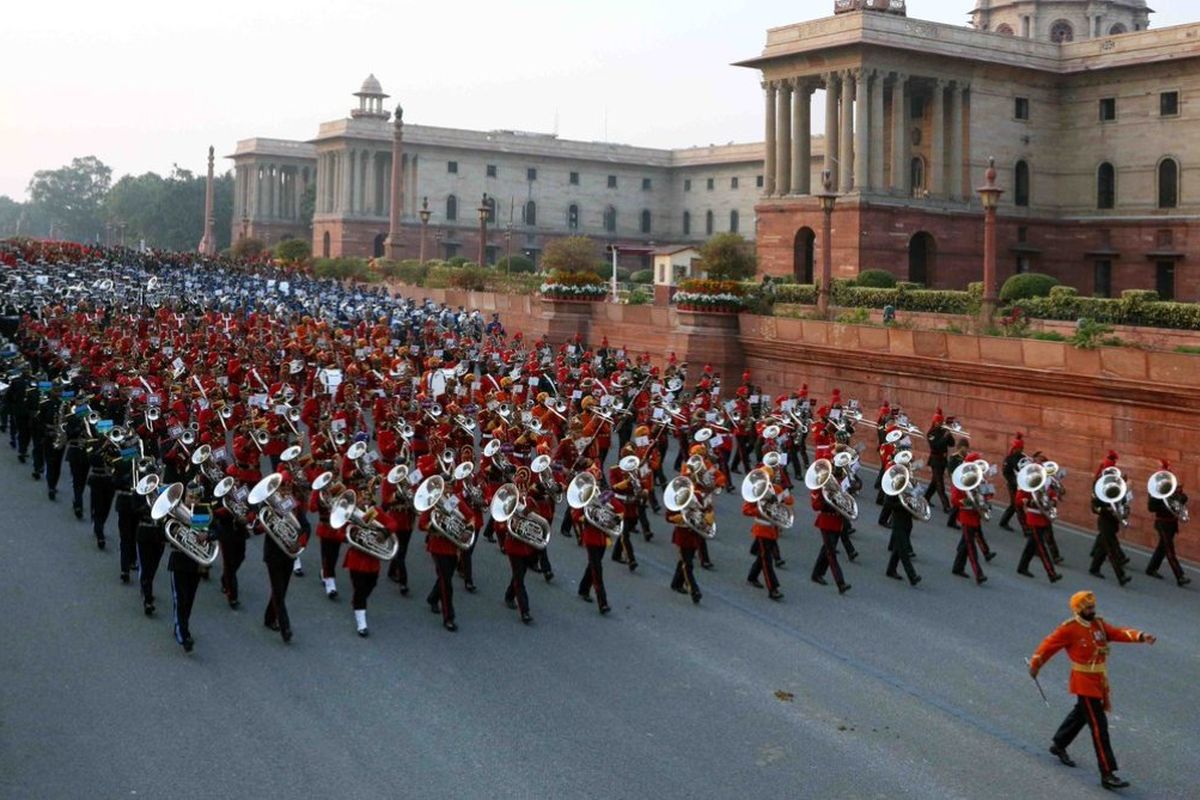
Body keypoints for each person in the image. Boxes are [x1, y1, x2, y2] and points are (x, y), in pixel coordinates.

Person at [1029, 590, 1156, 791]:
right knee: (1099, 727)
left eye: (1092, 607)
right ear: (1078, 609)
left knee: (1081, 714)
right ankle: (1107, 772)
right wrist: (1036, 664)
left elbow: (1117, 633)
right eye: (1088, 607)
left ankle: (1059, 743)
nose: (1092, 610)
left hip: (1098, 680)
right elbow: (1048, 645)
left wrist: (1140, 636)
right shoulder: (1069, 629)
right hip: (1084, 682)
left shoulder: (1098, 624)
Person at [1146, 461, 1190, 587]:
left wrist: (1179, 495)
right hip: (1162, 523)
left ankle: (1151, 569)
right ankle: (1180, 576)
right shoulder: (1154, 490)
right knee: (1169, 550)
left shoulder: (1173, 487)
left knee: (1162, 548)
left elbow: (1184, 498)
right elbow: (1151, 508)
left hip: (1172, 524)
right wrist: (1164, 503)